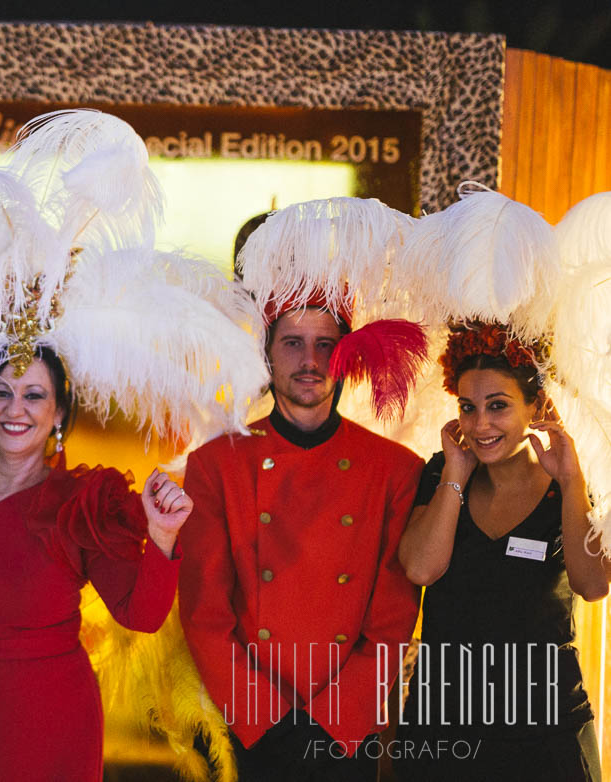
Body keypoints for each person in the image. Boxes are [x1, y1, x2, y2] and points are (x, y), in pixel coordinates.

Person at [178, 197, 427, 780]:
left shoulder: (395, 469)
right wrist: (263, 718)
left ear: (347, 356)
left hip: (347, 731)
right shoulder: (215, 465)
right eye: (293, 342)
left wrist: (335, 721)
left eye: (325, 344)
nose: (309, 360)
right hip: (247, 727)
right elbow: (205, 611)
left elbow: (392, 617)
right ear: (266, 353)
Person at [0, 346, 192, 781]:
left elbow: (141, 615)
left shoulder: (81, 503)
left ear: (58, 413)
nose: (16, 409)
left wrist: (163, 538)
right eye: (2, 393)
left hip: (50, 725)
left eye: (33, 395)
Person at [395, 324, 609, 781]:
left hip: (545, 729)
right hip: (442, 728)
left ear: (537, 406)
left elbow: (593, 586)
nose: (480, 425)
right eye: (468, 408)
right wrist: (456, 469)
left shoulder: (567, 484)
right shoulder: (442, 473)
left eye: (498, 406)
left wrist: (572, 481)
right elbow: (420, 567)